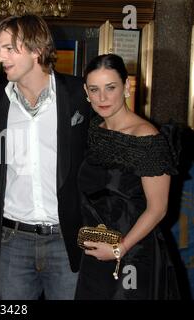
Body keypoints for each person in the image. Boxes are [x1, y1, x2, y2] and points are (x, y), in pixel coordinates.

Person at [0, 14, 91, 300]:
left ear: (36, 50)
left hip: (65, 240)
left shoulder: (79, 95)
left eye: (9, 49)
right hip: (12, 241)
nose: (0, 57)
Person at [74, 53, 180, 299]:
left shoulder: (147, 138)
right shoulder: (94, 129)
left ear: (126, 86)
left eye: (110, 88)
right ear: (86, 92)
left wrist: (119, 250)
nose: (102, 97)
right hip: (94, 254)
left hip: (132, 253)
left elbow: (158, 208)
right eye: (94, 89)